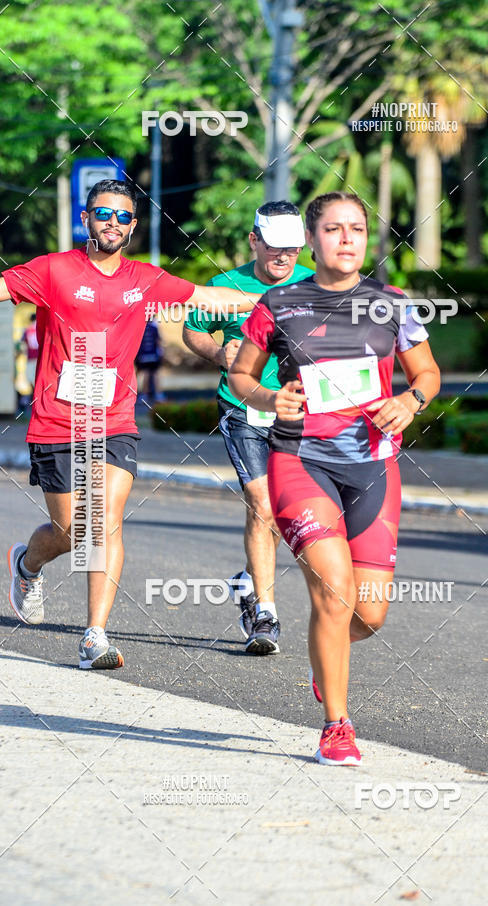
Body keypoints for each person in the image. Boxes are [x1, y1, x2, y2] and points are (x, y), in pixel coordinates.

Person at [1, 179, 260, 670]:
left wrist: (272, 299)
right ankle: (27, 564)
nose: (113, 223)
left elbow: (208, 297)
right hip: (58, 421)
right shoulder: (53, 270)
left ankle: (93, 636)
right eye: (104, 214)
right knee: (71, 531)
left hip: (115, 419)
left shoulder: (144, 278)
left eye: (123, 217)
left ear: (134, 226)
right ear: (87, 219)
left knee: (105, 521)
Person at [229, 191, 441, 765]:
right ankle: (337, 726)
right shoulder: (280, 302)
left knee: (368, 614)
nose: (346, 239)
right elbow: (242, 374)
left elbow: (426, 370)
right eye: (332, 229)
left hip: (373, 464)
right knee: (334, 593)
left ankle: (327, 660)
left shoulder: (392, 303)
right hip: (301, 460)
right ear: (312, 240)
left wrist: (411, 399)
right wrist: (272, 396)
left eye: (356, 229)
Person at [183, 201, 312, 654]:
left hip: (301, 411)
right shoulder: (224, 286)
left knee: (290, 510)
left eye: (293, 249)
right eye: (275, 247)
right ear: (254, 240)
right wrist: (220, 355)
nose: (284, 257)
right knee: (262, 504)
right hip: (242, 407)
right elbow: (194, 330)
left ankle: (248, 581)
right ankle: (266, 614)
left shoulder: (317, 285)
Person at [136, 317, 165, 403]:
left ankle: (145, 394)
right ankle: (158, 394)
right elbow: (158, 341)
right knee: (155, 374)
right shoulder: (154, 328)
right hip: (153, 354)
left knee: (146, 374)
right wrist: (161, 353)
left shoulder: (140, 328)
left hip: (144, 355)